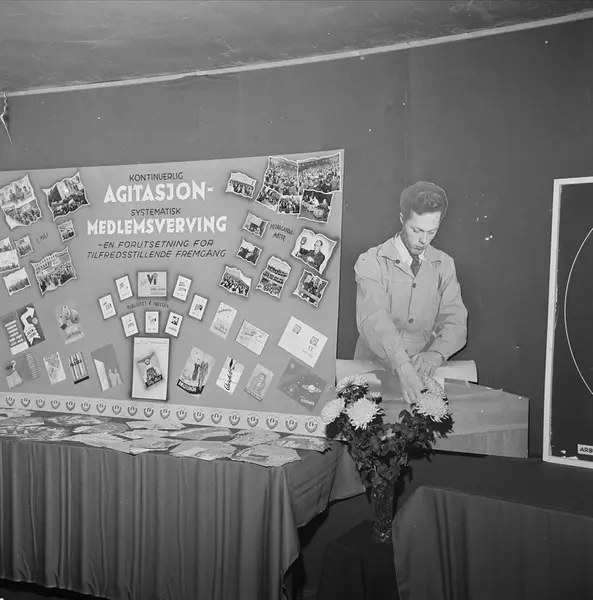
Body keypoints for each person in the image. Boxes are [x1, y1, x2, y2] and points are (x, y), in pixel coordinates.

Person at [354, 181, 467, 405]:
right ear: (401, 219)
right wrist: (403, 367)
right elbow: (375, 319)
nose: (423, 240)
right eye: (416, 230)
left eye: (432, 232)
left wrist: (436, 354)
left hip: (424, 375)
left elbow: (455, 320)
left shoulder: (445, 265)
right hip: (372, 374)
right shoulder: (370, 261)